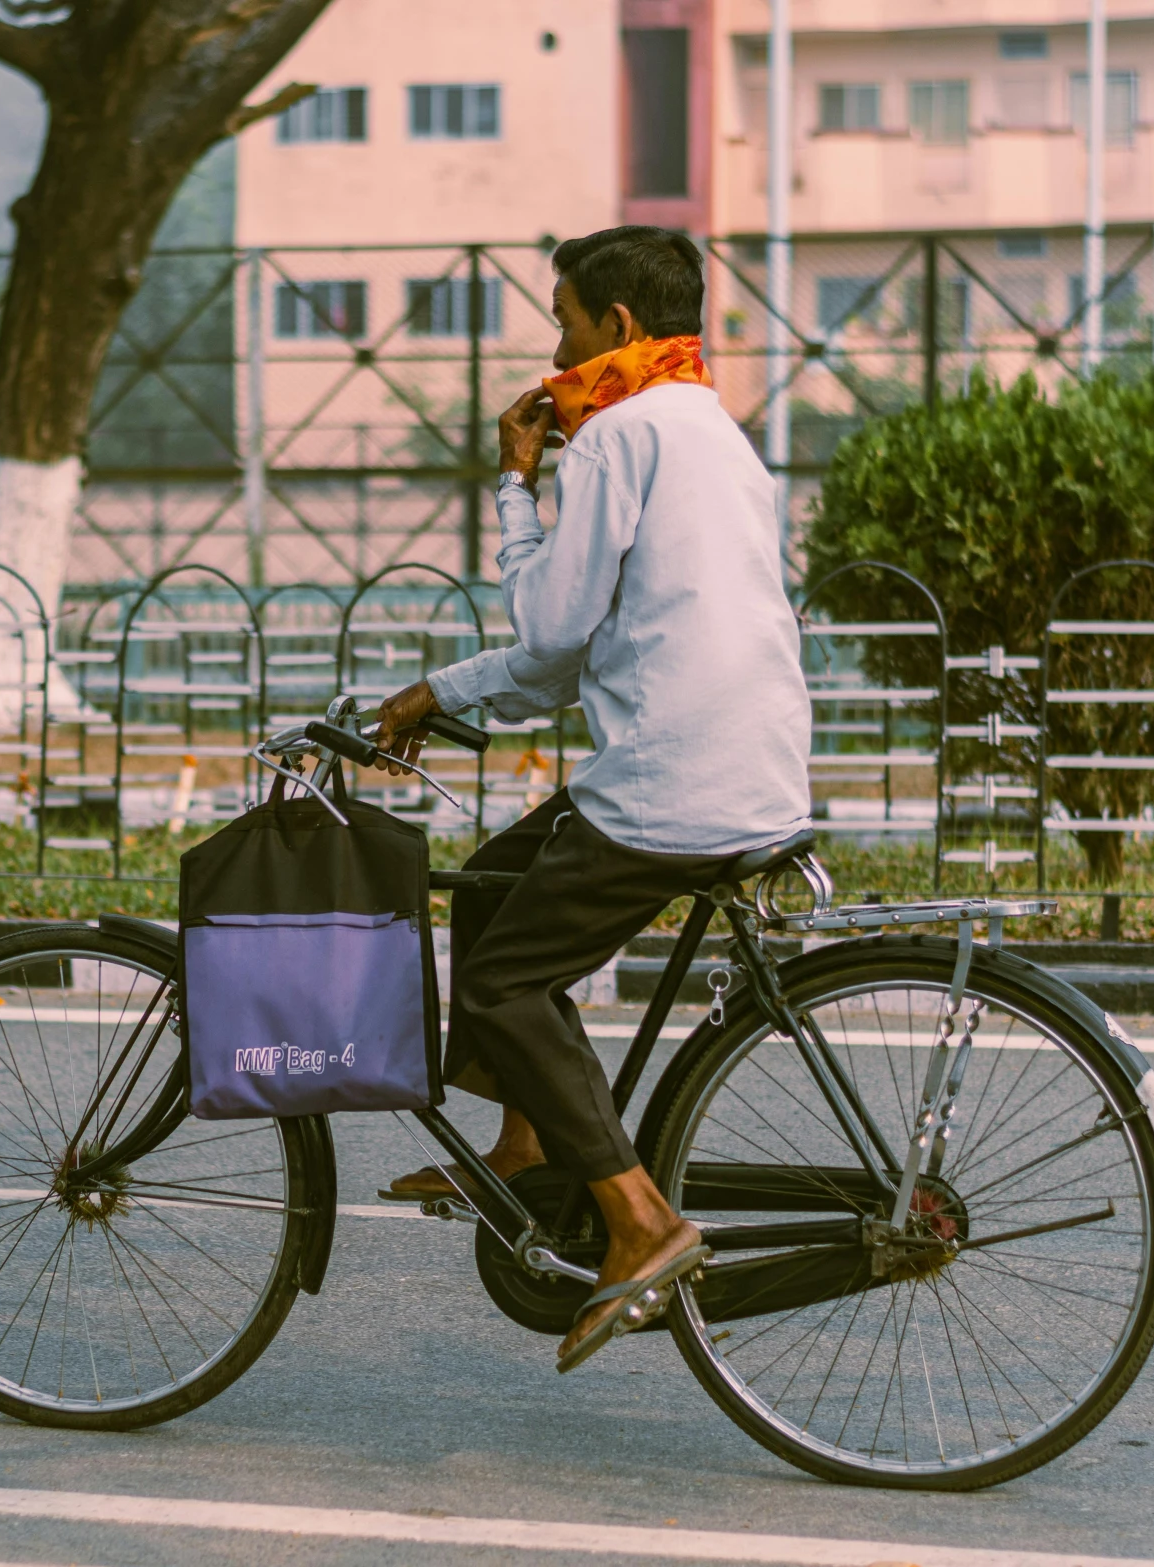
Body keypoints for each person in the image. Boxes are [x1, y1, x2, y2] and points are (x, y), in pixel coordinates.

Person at [371, 225, 812, 1371]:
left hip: (674, 779)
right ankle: (526, 1147)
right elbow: (572, 655)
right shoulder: (715, 431)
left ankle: (639, 1220)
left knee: (507, 979)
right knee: (492, 890)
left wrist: (514, 485)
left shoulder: (617, 432)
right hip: (738, 756)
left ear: (618, 325)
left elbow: (552, 626)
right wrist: (441, 692)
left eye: (562, 320)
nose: (553, 347)